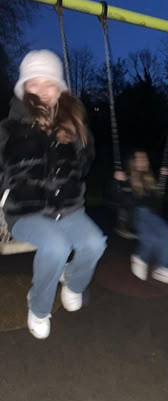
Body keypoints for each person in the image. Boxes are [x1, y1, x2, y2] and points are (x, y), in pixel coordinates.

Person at [0, 50, 106, 339]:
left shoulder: (70, 124)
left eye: (49, 84)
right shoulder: (10, 129)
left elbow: (84, 166)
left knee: (96, 243)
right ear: (24, 89)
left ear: (59, 89)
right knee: (56, 247)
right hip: (25, 211)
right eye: (34, 84)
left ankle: (71, 282)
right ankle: (38, 306)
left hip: (68, 208)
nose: (43, 91)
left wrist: (80, 135)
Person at [113, 150, 168, 285]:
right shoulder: (127, 178)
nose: (143, 161)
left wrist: (163, 180)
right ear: (133, 162)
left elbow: (157, 202)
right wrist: (118, 183)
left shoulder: (150, 180)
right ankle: (154, 264)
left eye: (145, 158)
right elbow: (122, 200)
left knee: (160, 236)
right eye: (140, 159)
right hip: (136, 215)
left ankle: (150, 262)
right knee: (160, 235)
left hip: (151, 216)